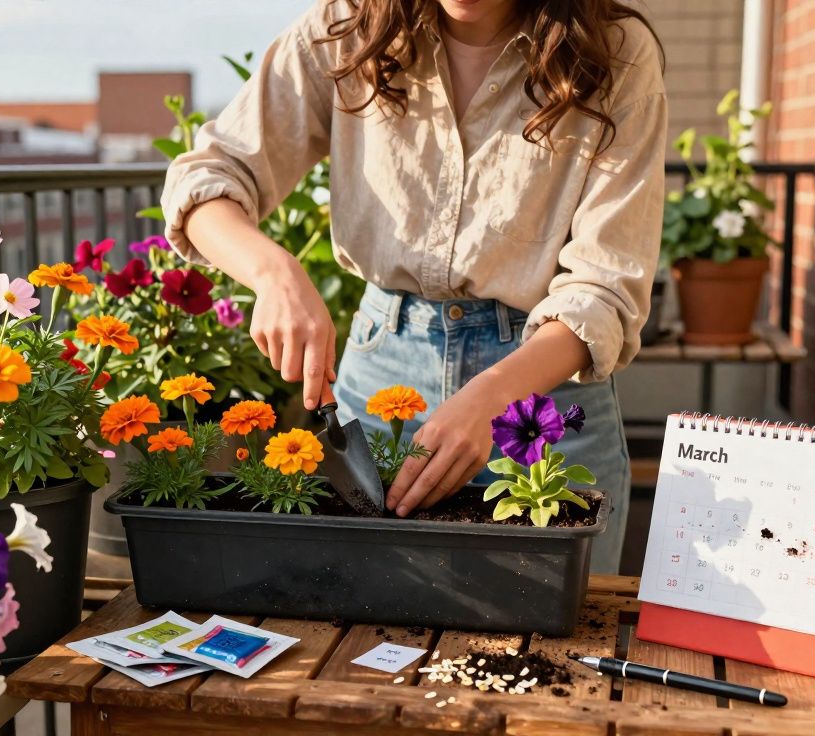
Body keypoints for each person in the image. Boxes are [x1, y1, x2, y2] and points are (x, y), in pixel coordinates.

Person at [161, 0, 666, 572]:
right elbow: (205, 179)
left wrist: (493, 397)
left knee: (555, 650)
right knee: (361, 639)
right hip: (380, 383)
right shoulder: (348, 27)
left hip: (546, 402)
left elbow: (604, 289)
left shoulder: (614, 52)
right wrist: (274, 274)